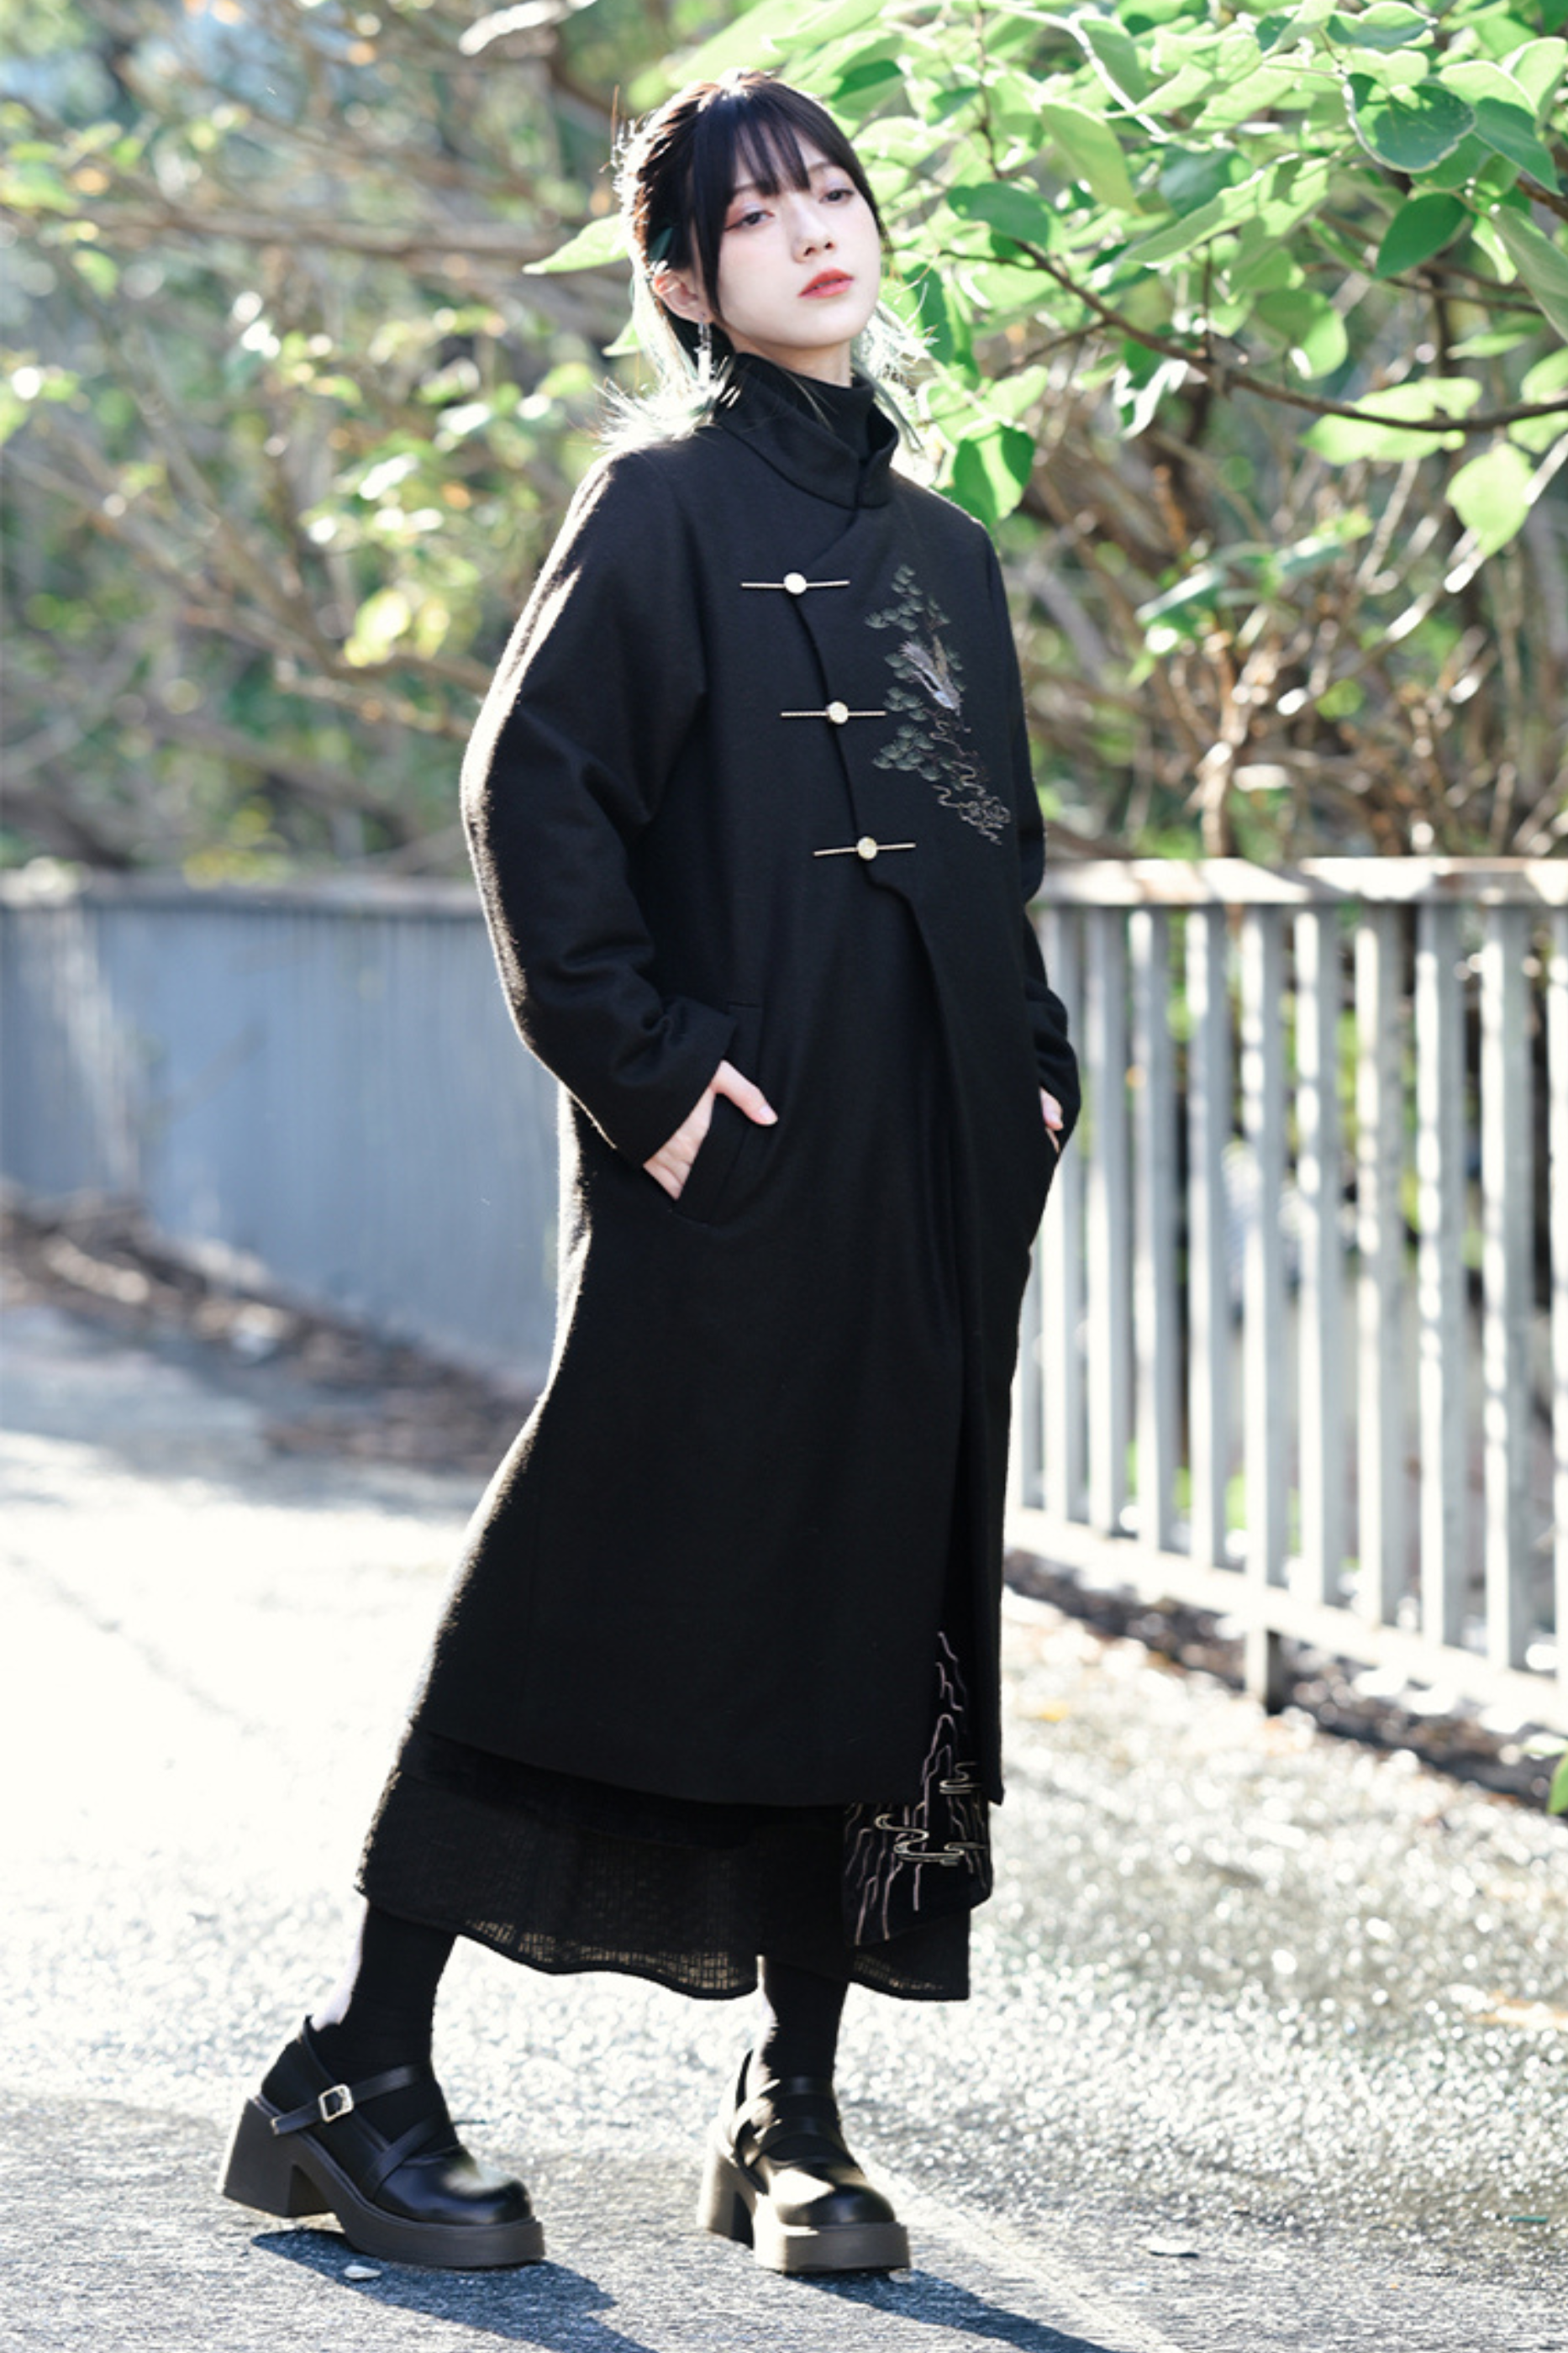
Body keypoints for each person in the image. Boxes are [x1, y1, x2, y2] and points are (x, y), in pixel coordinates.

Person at [218, 68, 1079, 2277]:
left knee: (869, 1592)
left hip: (931, 1163)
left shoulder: (947, 554)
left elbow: (989, 847)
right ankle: (352, 2074)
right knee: (589, 1569)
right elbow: (533, 795)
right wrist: (659, 1082)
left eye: (835, 191)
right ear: (683, 280)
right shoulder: (658, 501)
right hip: (730, 1154)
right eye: (757, 211)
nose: (816, 228)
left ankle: (792, 2110)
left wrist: (1035, 1072)